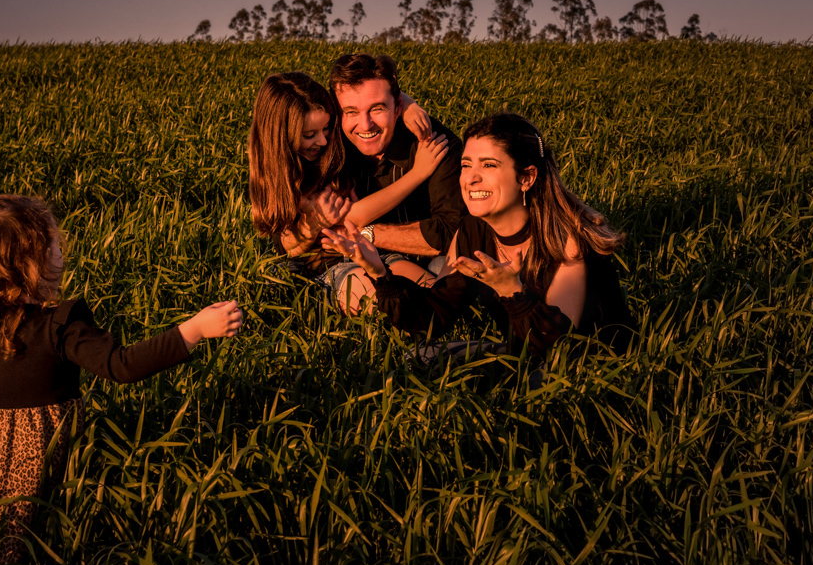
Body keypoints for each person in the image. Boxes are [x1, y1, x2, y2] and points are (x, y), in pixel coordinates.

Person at [0, 195, 243, 565]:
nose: (61, 250)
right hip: (35, 463)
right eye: (53, 244)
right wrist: (193, 329)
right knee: (29, 555)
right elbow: (121, 365)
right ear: (26, 262)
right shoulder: (60, 325)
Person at [323, 113, 634, 359]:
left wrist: (512, 291)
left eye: (488, 165)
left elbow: (557, 351)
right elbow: (433, 318)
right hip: (519, 352)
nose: (470, 178)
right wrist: (380, 272)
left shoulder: (565, 238)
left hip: (585, 367)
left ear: (526, 177)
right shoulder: (472, 231)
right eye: (466, 164)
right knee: (418, 358)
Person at [247, 71, 449, 288]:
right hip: (326, 266)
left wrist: (409, 105)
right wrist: (418, 174)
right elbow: (354, 217)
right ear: (280, 135)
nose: (323, 141)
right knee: (385, 299)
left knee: (435, 293)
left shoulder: (330, 145)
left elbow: (366, 97)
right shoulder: (282, 175)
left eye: (326, 128)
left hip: (367, 251)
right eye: (309, 135)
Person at [324, 53, 467, 311]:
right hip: (356, 263)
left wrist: (367, 234)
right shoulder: (328, 145)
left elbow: (450, 231)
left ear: (397, 107)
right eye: (351, 111)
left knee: (457, 280)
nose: (365, 124)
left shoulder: (435, 143)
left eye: (377, 109)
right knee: (361, 297)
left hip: (430, 260)